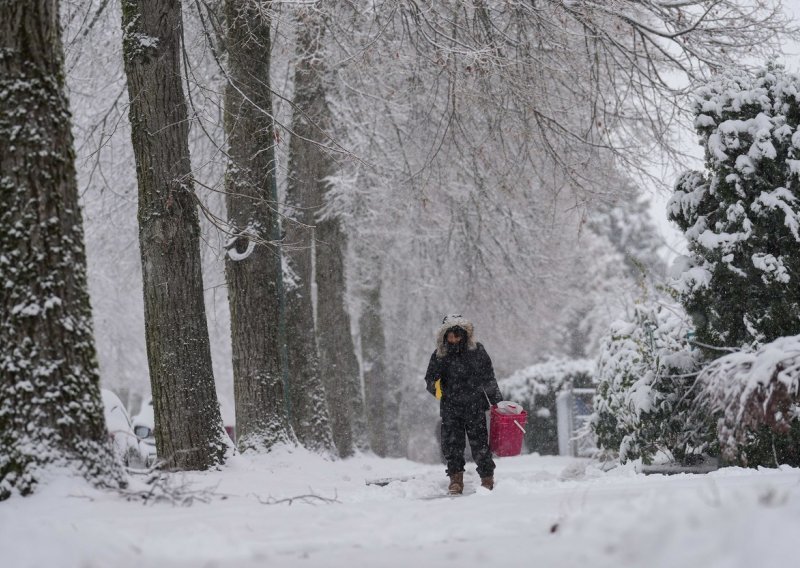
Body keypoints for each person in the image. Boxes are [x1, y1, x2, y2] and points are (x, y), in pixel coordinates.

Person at [424, 314, 503, 494]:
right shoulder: (439, 356)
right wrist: (438, 388)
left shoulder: (478, 352)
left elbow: (488, 379)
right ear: (444, 336)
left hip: (475, 406)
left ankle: (487, 479)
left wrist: (497, 403)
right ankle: (455, 480)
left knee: (480, 445)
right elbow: (429, 380)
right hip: (450, 408)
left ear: (465, 335)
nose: (453, 339)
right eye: (449, 336)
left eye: (457, 335)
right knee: (452, 447)